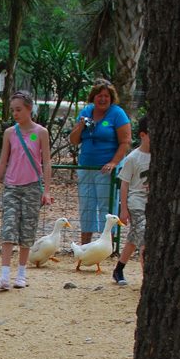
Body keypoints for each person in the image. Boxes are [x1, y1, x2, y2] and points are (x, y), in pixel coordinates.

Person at [0, 91, 52, 289]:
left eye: (19, 109)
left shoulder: (41, 132)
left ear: (29, 109)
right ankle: (4, 275)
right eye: (13, 110)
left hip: (31, 186)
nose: (15, 113)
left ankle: (21, 274)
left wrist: (46, 190)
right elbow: (3, 161)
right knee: (9, 228)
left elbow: (46, 162)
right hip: (12, 186)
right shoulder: (10, 133)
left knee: (27, 230)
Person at [69, 79, 131, 243]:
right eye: (99, 96)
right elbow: (74, 140)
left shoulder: (117, 114)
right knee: (87, 204)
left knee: (107, 206)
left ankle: (107, 243)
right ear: (93, 97)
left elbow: (125, 141)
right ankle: (86, 243)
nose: (102, 99)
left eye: (106, 96)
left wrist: (113, 163)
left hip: (107, 169)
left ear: (111, 98)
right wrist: (80, 127)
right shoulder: (86, 112)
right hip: (87, 167)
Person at [113, 115, 150, 285]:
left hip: (151, 204)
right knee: (144, 239)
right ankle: (147, 278)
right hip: (136, 203)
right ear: (143, 135)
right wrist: (124, 209)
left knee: (133, 239)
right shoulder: (133, 158)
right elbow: (124, 184)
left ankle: (119, 269)